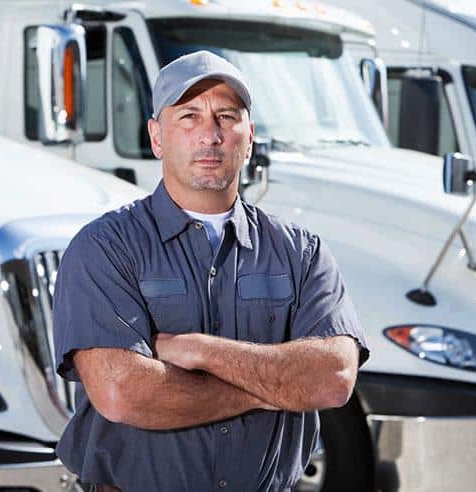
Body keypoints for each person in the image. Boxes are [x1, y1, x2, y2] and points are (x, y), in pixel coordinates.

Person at [52, 50, 369, 492]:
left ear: (250, 136)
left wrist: (199, 351)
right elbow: (122, 392)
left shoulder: (301, 253)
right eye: (189, 116)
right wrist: (270, 389)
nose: (210, 134)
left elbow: (333, 379)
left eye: (226, 116)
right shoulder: (104, 249)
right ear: (157, 137)